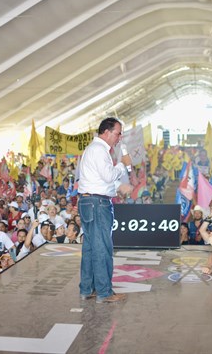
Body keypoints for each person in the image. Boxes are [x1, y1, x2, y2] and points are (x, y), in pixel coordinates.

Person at [77, 117, 131, 304]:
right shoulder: (99, 150)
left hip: (88, 201)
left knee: (91, 247)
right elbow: (108, 175)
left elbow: (100, 179)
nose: (119, 137)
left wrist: (117, 188)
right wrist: (122, 164)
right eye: (117, 133)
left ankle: (87, 288)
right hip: (98, 203)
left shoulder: (93, 149)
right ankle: (104, 291)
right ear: (106, 132)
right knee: (102, 249)